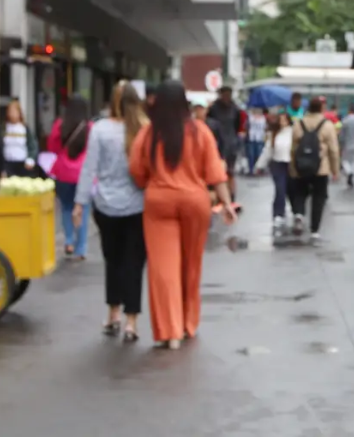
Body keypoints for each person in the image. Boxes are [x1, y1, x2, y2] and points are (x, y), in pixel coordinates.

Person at [129, 80, 236, 350]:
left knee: (163, 267)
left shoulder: (149, 133)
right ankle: (188, 323)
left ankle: (170, 331)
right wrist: (227, 204)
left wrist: (151, 182)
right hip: (194, 202)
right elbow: (215, 173)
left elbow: (137, 170)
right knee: (191, 265)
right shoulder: (200, 131)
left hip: (159, 202)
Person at [74, 81, 149, 342]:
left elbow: (89, 168)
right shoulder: (144, 129)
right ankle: (132, 322)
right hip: (138, 205)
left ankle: (113, 313)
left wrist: (80, 202)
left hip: (106, 205)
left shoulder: (100, 129)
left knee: (113, 261)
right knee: (134, 263)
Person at [289, 97, 340, 240]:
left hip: (301, 165)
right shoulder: (327, 125)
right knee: (319, 197)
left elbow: (293, 148)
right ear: (322, 108)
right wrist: (335, 170)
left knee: (300, 192)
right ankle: (314, 229)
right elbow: (333, 150)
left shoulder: (299, 123)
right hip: (321, 168)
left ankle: (299, 214)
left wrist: (292, 167)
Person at [48, 95, 92, 259]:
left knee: (66, 208)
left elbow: (52, 147)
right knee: (83, 210)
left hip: (63, 174)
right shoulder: (90, 127)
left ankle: (68, 241)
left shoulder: (60, 125)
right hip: (83, 174)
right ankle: (81, 248)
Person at [207, 86, 242, 199]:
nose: (227, 96)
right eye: (225, 94)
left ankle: (231, 196)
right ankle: (220, 195)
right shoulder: (214, 108)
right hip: (217, 143)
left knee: (230, 172)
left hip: (231, 143)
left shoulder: (235, 108)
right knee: (217, 171)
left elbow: (237, 125)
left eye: (228, 94)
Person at [268, 111, 293, 229]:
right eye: (280, 120)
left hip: (290, 164)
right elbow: (268, 150)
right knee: (280, 189)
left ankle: (295, 211)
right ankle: (278, 214)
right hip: (277, 163)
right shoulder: (274, 133)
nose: (282, 122)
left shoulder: (292, 132)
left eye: (284, 120)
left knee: (290, 189)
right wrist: (259, 165)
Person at [2, 100, 38, 177]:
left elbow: (32, 145)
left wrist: (30, 159)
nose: (12, 114)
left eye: (14, 111)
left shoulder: (24, 128)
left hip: (22, 163)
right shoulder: (3, 128)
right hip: (7, 163)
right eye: (10, 111)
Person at [338, 104, 354, 188]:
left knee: (344, 160)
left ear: (350, 110)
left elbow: (342, 135)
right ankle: (352, 176)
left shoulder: (346, 120)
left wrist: (340, 144)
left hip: (347, 144)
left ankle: (348, 172)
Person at [246, 107, 268, 175]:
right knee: (251, 154)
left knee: (259, 154)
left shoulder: (263, 118)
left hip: (260, 138)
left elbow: (266, 127)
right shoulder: (250, 117)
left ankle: (258, 169)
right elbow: (246, 126)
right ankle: (251, 169)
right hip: (252, 138)